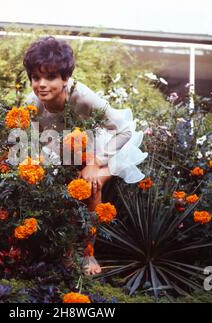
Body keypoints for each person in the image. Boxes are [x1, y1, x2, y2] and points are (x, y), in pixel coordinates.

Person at [21, 36, 148, 275]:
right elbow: (38, 140)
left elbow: (125, 130)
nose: (41, 85)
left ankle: (88, 253)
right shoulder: (32, 103)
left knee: (92, 185)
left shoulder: (83, 97)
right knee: (55, 189)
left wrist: (95, 163)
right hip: (63, 149)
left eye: (50, 77)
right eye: (36, 78)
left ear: (66, 78)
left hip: (102, 146)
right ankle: (65, 250)